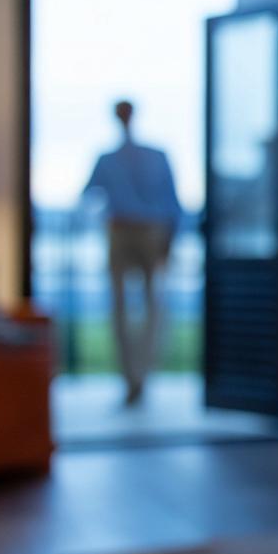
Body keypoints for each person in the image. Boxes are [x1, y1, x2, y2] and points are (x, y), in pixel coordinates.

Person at [82, 100, 183, 406]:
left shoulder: (156, 156)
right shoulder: (107, 159)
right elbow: (88, 195)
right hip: (123, 231)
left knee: (153, 308)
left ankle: (140, 376)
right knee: (121, 307)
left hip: (151, 232)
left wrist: (170, 239)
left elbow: (173, 202)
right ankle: (131, 377)